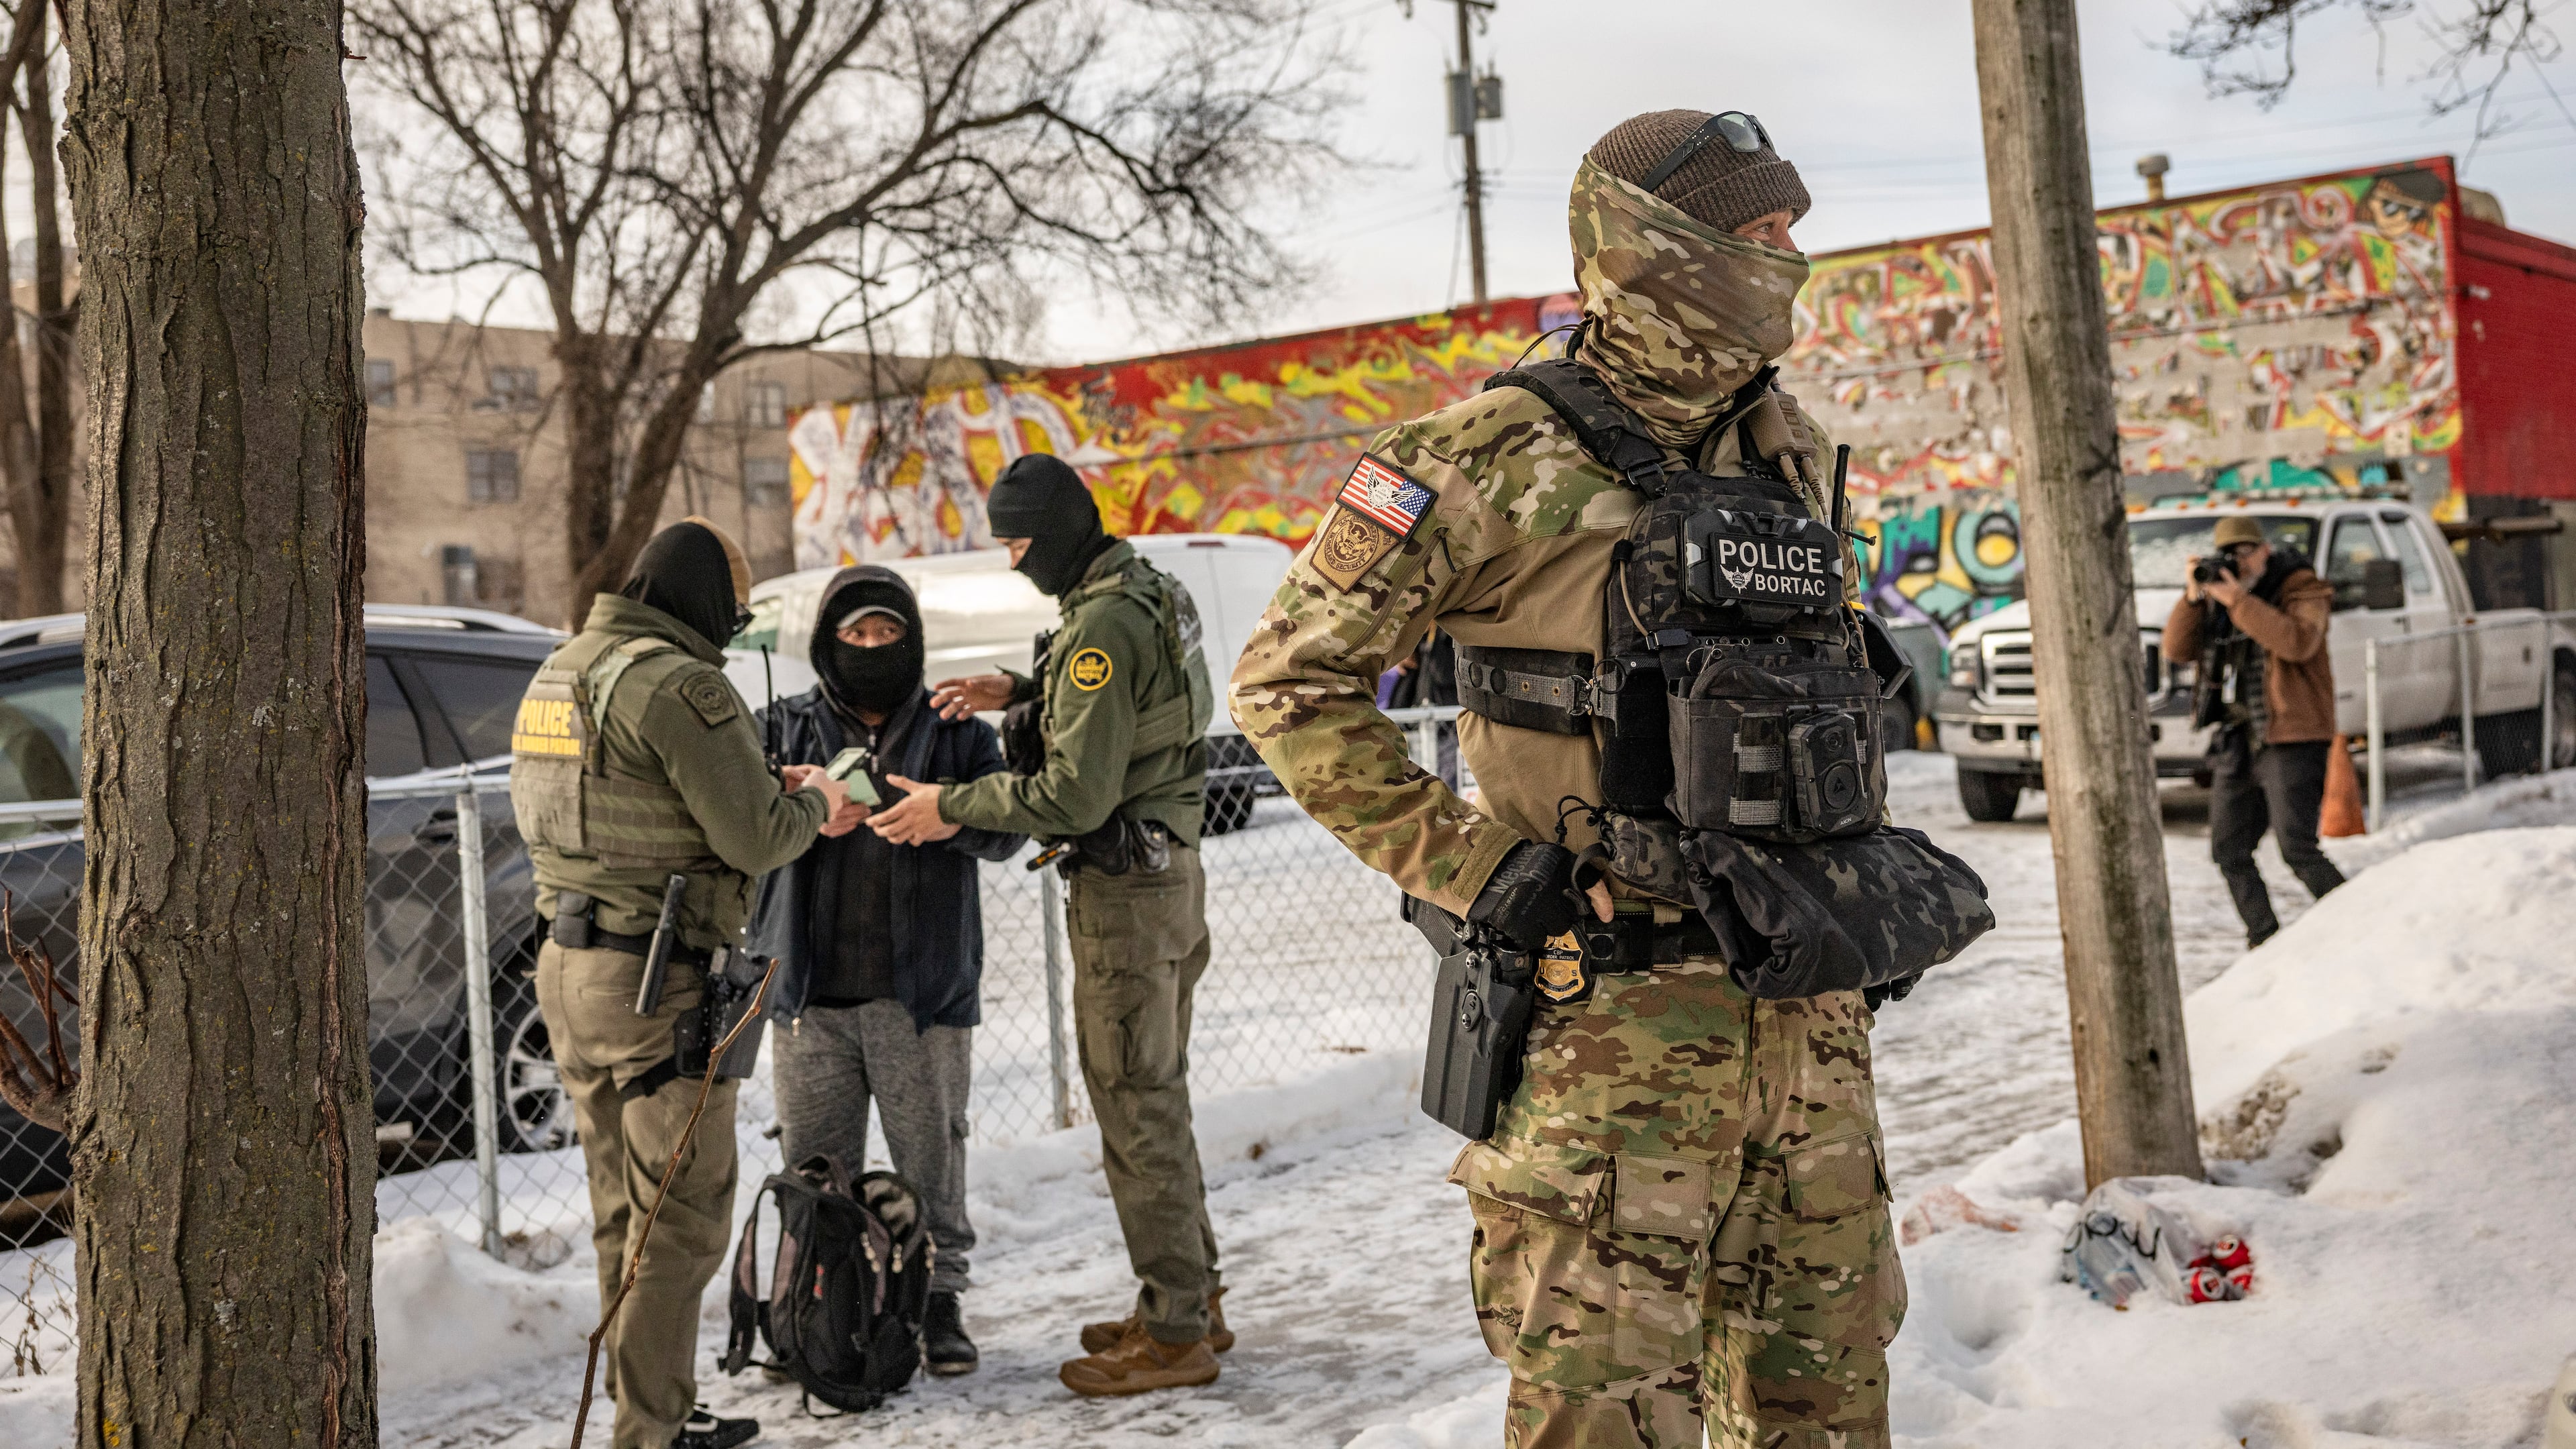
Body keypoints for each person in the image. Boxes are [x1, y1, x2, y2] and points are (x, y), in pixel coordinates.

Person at [1232, 111, 1908, 1446]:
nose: (1789, 254)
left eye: (1792, 227)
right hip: (1614, 1041)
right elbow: (1286, 688)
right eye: (1759, 228)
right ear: (1659, 246)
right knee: (1605, 1422)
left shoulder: (1791, 451)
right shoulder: (1482, 457)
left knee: (1826, 1411)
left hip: (1807, 1027)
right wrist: (1486, 872)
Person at [865, 453, 1225, 1398]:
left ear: (1057, 531)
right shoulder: (1146, 589)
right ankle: (1192, 1298)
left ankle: (1176, 1334)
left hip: (1126, 896)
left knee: (1135, 1107)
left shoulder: (1101, 620)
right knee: (1158, 1096)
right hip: (1169, 876)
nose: (1015, 560)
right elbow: (1145, 703)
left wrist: (950, 804)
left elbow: (1073, 796)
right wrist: (1024, 692)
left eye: (1019, 541)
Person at [508, 517, 851, 1449]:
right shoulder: (679, 683)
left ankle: (652, 1406)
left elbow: (619, 796)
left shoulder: (562, 669)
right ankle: (649, 1433)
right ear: (705, 601)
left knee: (624, 1213)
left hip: (568, 971)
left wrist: (760, 787)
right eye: (733, 615)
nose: (733, 633)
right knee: (682, 1221)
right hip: (656, 985)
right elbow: (759, 838)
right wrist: (820, 800)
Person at [745, 564, 1025, 1377]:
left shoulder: (955, 729)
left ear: (913, 639)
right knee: (814, 1171)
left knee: (931, 1163)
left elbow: (1010, 827)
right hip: (809, 999)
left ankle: (937, 1303)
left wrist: (948, 817)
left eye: (888, 632)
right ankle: (817, 1313)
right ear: (827, 643)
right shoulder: (783, 726)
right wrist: (799, 807)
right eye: (856, 634)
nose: (872, 647)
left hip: (922, 997)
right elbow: (734, 817)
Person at [2164, 513, 2346, 947]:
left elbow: (2298, 642)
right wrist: (2193, 598)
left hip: (2292, 736)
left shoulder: (2301, 587)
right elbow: (2177, 649)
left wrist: (2238, 601)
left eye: (2246, 553)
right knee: (2228, 850)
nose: (2240, 564)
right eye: (2230, 555)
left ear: (2265, 550)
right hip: (2237, 738)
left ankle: (2360, 926)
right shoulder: (2220, 596)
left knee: (2297, 848)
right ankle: (2264, 940)